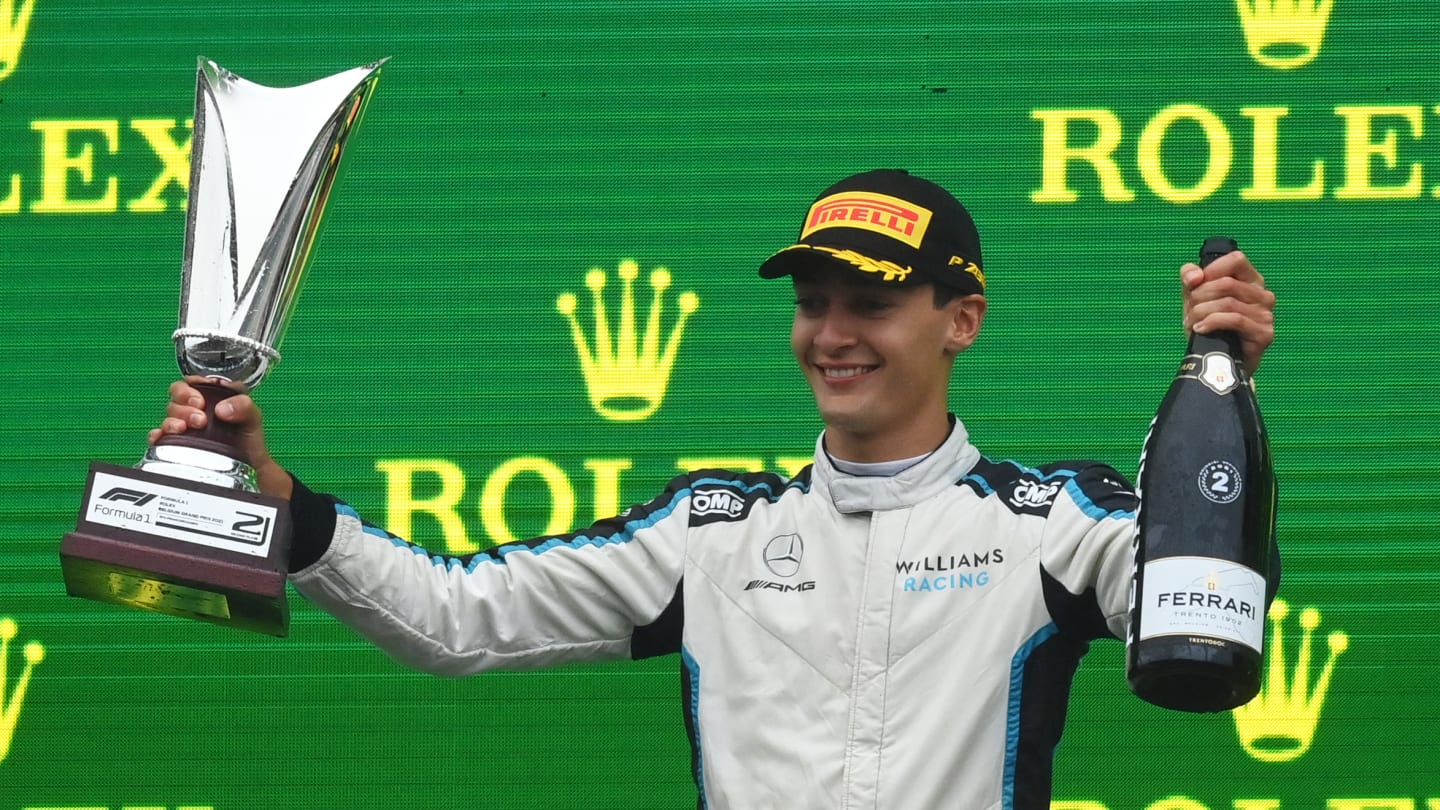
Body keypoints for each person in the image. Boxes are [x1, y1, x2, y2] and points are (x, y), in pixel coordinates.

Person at [150, 169, 1277, 808]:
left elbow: (1198, 595)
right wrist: (279, 498)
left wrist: (1221, 372)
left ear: (961, 320)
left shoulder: (1051, 522)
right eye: (810, 302)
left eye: (871, 303)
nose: (831, 334)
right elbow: (455, 619)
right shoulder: (709, 530)